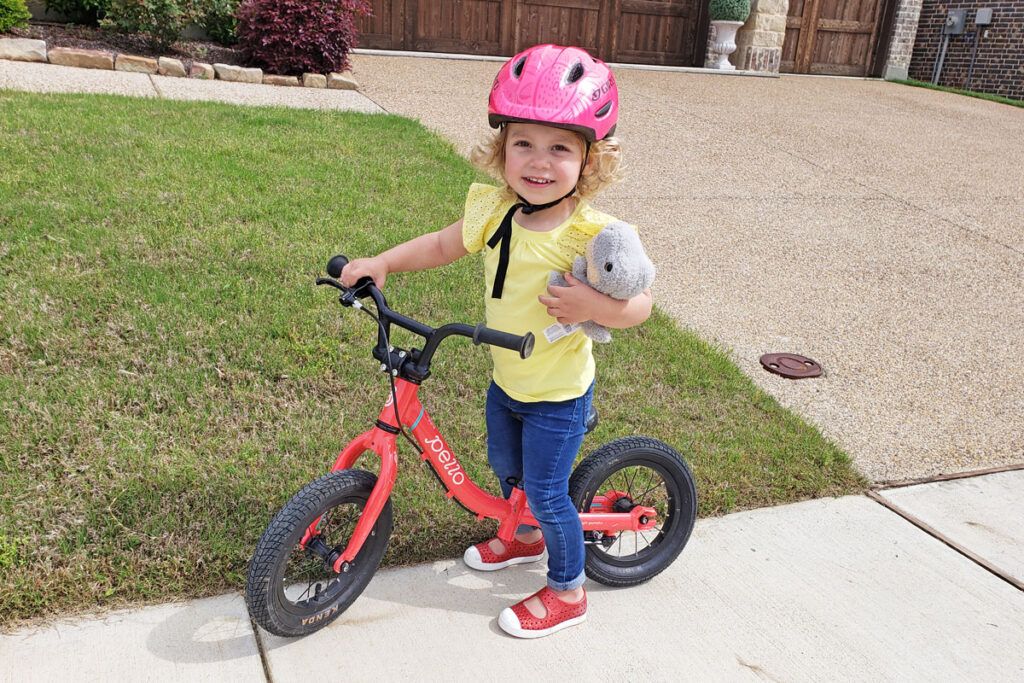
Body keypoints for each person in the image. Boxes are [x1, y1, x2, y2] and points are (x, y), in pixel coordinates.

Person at [341, 43, 652, 638]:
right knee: (506, 467)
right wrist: (382, 262)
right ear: (501, 147)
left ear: (588, 160)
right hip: (507, 379)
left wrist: (596, 305)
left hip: (558, 394)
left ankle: (568, 592)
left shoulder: (593, 232)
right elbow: (439, 245)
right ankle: (525, 534)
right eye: (523, 143)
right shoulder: (495, 209)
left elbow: (640, 303)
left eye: (559, 147)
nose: (538, 161)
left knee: (548, 491)